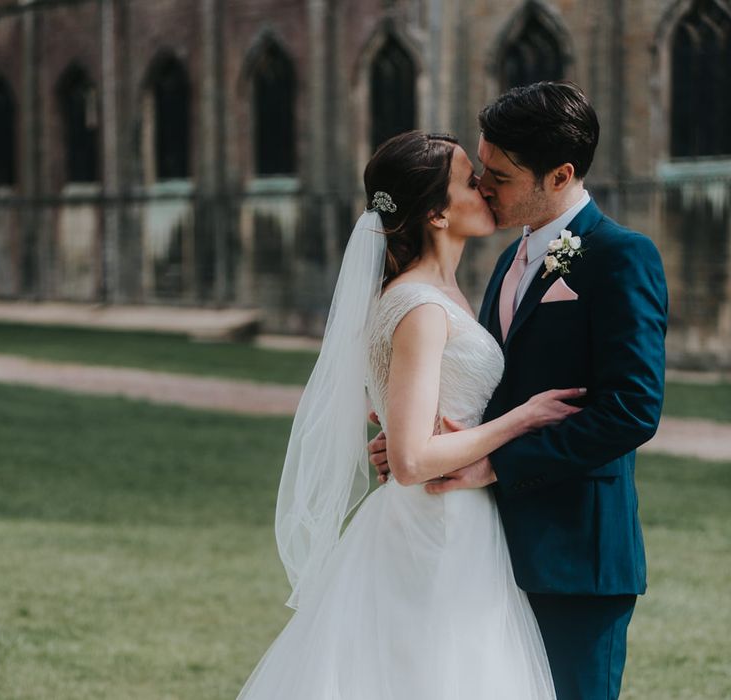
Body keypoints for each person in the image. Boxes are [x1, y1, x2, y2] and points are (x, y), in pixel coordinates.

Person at [236, 130, 587, 699]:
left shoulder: (441, 293)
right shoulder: (420, 306)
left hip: (457, 521)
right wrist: (521, 418)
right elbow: (410, 459)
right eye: (470, 181)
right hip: (438, 526)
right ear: (437, 214)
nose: (486, 188)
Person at [370, 82, 669, 700]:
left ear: (560, 175)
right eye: (481, 167)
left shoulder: (622, 257)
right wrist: (421, 435)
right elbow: (493, 390)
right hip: (488, 551)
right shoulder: (511, 260)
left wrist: (495, 465)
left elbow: (632, 409)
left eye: (500, 177)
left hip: (574, 557)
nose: (482, 185)